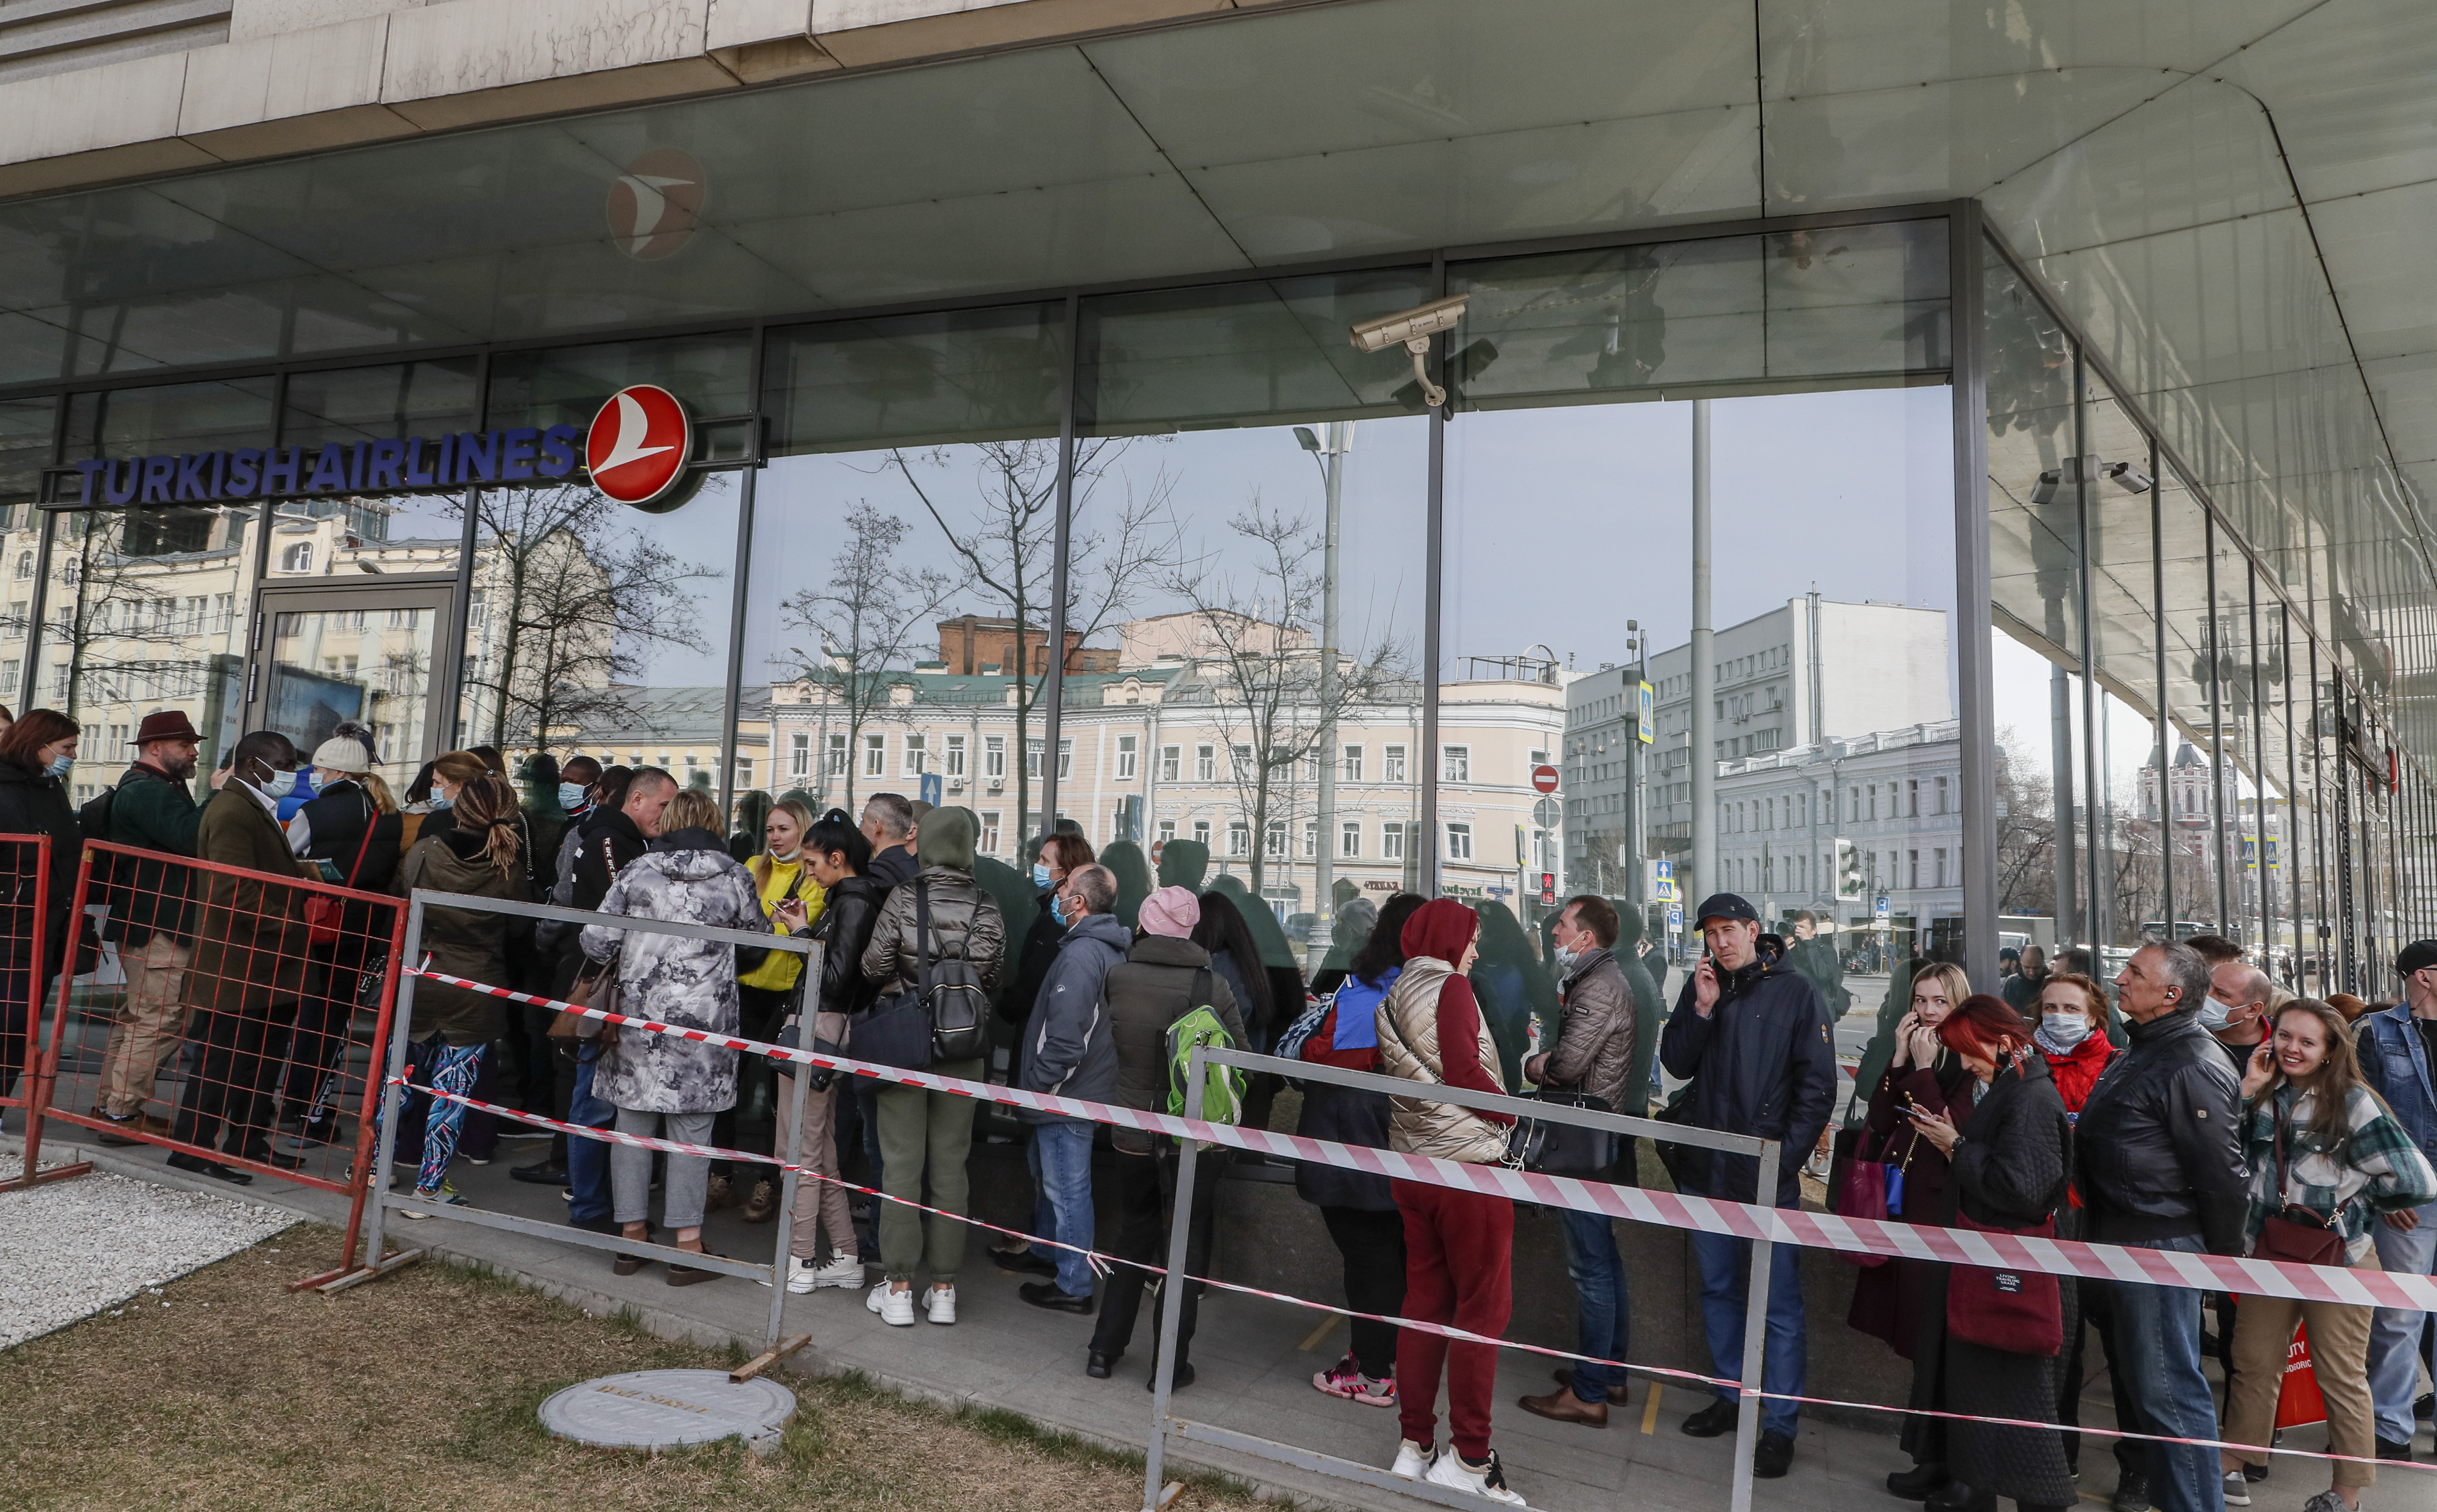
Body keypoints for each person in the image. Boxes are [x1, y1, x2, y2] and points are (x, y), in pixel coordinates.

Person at [2222, 998, 2437, 1512]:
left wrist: (2365, 1207)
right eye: (2285, 1036)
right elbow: (2220, 1151)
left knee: (2340, 1374)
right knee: (2253, 1363)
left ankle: (2348, 1493)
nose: (2291, 1048)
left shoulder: (2354, 1101)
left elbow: (2418, 1180)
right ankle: (2233, 1462)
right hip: (2269, 1251)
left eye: (2307, 1041)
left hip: (2340, 1260)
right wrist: (2246, 1091)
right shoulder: (2262, 1096)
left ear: (2330, 1050)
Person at [1659, 891, 1836, 1479]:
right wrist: (1703, 1008)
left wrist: (1781, 1163)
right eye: (1710, 933)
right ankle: (1732, 1396)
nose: (1720, 943)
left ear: (1754, 931)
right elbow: (1678, 1064)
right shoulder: (1707, 985)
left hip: (1764, 1178)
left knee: (1780, 1306)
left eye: (1729, 930)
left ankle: (1780, 1425)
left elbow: (1817, 1090)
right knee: (1717, 1289)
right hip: (1707, 1172)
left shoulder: (1796, 992)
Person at [2083, 941, 2250, 1512]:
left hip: (2156, 1245)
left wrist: (2221, 1258)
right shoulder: (2146, 1050)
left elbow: (2223, 1173)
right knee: (2152, 1392)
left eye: (2134, 972)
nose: (2121, 979)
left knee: (2169, 1395)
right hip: (2124, 1241)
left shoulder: (2190, 1062)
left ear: (2171, 995)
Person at [580, 785, 769, 1286]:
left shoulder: (638, 871)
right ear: (713, 823)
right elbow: (757, 944)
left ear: (669, 822)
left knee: (633, 1130)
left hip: (638, 1024)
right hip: (704, 1029)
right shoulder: (735, 876)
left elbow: (597, 941)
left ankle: (631, 1238)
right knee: (692, 1137)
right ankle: (687, 1247)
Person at [1899, 994, 2080, 1512]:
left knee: (2021, 1409)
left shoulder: (2027, 1099)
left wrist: (1955, 1147)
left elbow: (2021, 1188)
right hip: (2002, 1269)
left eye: (1969, 1051)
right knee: (1997, 1403)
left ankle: (2021, 1496)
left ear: (2002, 1041)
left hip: (2011, 1273)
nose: (1966, 1064)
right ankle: (1982, 1488)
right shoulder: (2021, 1088)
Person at [1372, 898, 1525, 1505]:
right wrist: (1515, 1111)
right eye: (1473, 938)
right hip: (1468, 1173)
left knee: (1424, 1306)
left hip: (1414, 1167)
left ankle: (1415, 1446)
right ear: (1450, 939)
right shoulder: (1452, 988)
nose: (1477, 950)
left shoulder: (1395, 992)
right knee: (1482, 1315)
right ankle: (1471, 1457)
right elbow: (1465, 1071)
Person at [1085, 885, 1247, 1382]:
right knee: (1185, 1246)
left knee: (1133, 1233)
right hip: (1188, 1138)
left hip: (1131, 1131)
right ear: (1190, 930)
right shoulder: (1211, 987)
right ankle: (1167, 1367)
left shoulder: (1118, 977)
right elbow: (1240, 1056)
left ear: (1146, 922)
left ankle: (1103, 1352)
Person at [859, 804, 1005, 1326]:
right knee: (951, 1167)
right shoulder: (987, 904)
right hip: (963, 1050)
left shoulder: (904, 896)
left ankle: (899, 1288)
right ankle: (943, 1290)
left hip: (906, 1043)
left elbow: (873, 965)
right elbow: (989, 977)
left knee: (901, 1164)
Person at [1849, 961, 1976, 1500]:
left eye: (1938, 1002)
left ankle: (1955, 1466)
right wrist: (1899, 1059)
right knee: (1921, 1346)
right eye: (1920, 1001)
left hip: (1944, 1220)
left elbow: (1953, 1134)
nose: (1926, 1012)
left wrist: (1923, 1070)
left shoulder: (1970, 1065)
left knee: (1942, 1345)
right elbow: (1881, 1120)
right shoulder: (1922, 1056)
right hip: (1907, 1212)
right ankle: (1931, 1455)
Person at [1517, 894, 1639, 1429]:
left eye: (1562, 926)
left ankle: (1589, 1393)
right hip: (1595, 1137)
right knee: (1602, 1260)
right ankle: (1607, 1373)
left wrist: (1531, 1062)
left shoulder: (1597, 987)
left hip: (1583, 1142)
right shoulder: (1599, 980)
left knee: (1590, 1267)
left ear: (1585, 937)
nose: (1554, 933)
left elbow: (1566, 1067)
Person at [1299, 891, 1424, 1407]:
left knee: (1369, 1259)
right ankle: (1384, 1358)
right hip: (1401, 1139)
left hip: (1356, 1141)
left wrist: (1309, 1038)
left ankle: (1373, 1373)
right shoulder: (1436, 991)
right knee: (1389, 1254)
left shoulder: (1370, 990)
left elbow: (1335, 1058)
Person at [382, 772, 526, 1213]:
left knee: (398, 1083)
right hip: (475, 990)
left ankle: (372, 1166)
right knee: (452, 1096)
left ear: (458, 809)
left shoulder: (425, 851)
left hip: (421, 980)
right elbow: (519, 930)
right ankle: (428, 1188)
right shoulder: (508, 866)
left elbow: (399, 899)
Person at [168, 730, 308, 1184]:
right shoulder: (232, 810)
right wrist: (291, 923)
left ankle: (246, 1142)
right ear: (252, 764)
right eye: (283, 765)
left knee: (260, 1062)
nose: (291, 775)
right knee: (223, 1064)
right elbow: (231, 893)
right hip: (239, 964)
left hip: (264, 964)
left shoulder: (252, 806)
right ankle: (193, 1150)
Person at [537, 766, 670, 1235]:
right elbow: (625, 910)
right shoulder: (610, 841)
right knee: (592, 1099)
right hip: (601, 985)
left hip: (621, 986)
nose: (666, 816)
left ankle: (607, 1203)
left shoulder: (632, 843)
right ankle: (590, 1207)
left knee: (612, 1102)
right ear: (636, 800)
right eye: (662, 805)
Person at [2034, 972, 2144, 1494]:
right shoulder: (2023, 1065)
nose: (2058, 1017)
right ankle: (2060, 1458)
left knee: (2126, 1350)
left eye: (2070, 1008)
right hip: (2051, 1220)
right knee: (2062, 1347)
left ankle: (2138, 1471)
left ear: (2096, 1017)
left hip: (2109, 1220)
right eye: (2049, 1007)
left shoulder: (2120, 1068)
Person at [277, 722, 403, 1147]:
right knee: (334, 1019)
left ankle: (292, 1104)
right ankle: (313, 1109)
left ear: (330, 772)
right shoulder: (389, 814)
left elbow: (284, 859)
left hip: (317, 926)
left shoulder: (314, 812)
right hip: (364, 928)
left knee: (306, 1014)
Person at [1014, 861, 1127, 1314]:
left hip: (1066, 1097)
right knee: (1063, 1187)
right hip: (1081, 1093)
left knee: (1067, 1191)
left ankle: (1074, 1285)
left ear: (1077, 902)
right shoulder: (1105, 949)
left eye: (1062, 886)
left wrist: (1040, 1088)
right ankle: (1058, 1261)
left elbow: (1066, 1041)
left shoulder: (1082, 956)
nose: (1055, 891)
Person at [778, 809, 884, 1293]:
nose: (808, 872)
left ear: (837, 858)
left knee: (800, 1148)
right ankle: (844, 1254)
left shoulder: (853, 902)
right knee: (819, 1151)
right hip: (828, 1028)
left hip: (818, 1027)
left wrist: (803, 934)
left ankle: (800, 1260)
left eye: (813, 862)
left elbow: (838, 977)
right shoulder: (852, 898)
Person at [90, 711, 206, 1140]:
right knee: (160, 1021)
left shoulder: (155, 788)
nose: (194, 752)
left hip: (154, 922)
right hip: (159, 925)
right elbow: (192, 837)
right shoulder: (147, 792)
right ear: (156, 748)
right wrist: (220, 794)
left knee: (140, 1018)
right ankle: (121, 1113)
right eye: (185, 744)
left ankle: (111, 1107)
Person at [722, 795, 826, 1223]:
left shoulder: (813, 877)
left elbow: (798, 927)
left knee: (772, 1099)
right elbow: (734, 917)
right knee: (728, 1086)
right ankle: (719, 1172)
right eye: (770, 829)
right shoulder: (751, 865)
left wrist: (765, 920)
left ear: (802, 832)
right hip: (743, 990)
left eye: (784, 829)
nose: (775, 837)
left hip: (783, 999)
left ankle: (768, 1181)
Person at [2362, 942, 2437, 1461]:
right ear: (2425, 977)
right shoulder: (2375, 1033)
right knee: (2399, 1312)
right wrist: (2383, 1189)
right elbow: (2356, 1113)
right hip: (2409, 1195)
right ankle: (2391, 1428)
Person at [0, 708, 80, 1101]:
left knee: (23, 1025)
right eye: (68, 747)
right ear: (40, 746)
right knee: (11, 1018)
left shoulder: (51, 789)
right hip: (11, 923)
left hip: (44, 926)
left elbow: (66, 852)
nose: (74, 755)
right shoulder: (4, 787)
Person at [2203, 960, 2274, 1079]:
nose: (2206, 996)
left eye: (2221, 994)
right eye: (2207, 986)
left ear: (2253, 1010)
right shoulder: (2185, 1034)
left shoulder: (2282, 1047)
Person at [1785, 909, 1851, 1019]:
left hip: (1820, 1010)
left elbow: (1822, 974)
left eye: (1802, 928)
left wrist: (1808, 944)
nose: (1798, 931)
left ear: (1814, 930)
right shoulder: (1790, 950)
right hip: (1794, 1009)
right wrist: (1783, 952)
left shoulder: (1827, 951)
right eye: (1795, 927)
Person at [860, 792, 918, 892]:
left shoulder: (874, 875)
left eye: (864, 822)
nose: (861, 829)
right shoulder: (919, 868)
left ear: (877, 827)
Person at [2001, 944, 2050, 1016]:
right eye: (2027, 968)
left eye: (2037, 968)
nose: (2032, 973)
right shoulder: (2012, 982)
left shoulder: (2050, 983)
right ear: (2021, 962)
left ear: (2043, 963)